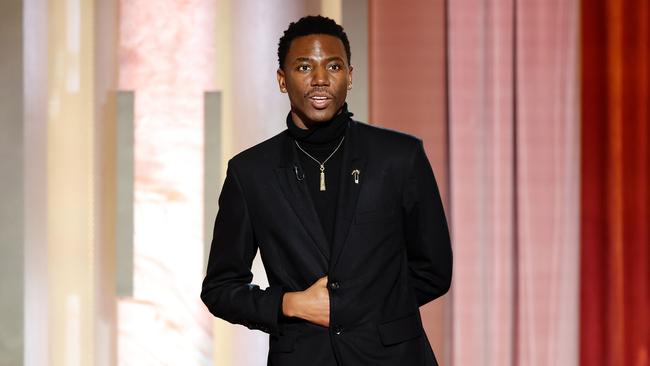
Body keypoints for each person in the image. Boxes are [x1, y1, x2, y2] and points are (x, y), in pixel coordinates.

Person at [201, 15, 452, 366]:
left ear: (350, 75)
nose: (320, 79)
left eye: (333, 66)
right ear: (282, 80)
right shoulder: (250, 172)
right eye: (304, 66)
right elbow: (220, 288)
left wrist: (359, 308)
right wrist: (289, 304)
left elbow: (434, 270)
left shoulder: (400, 157)